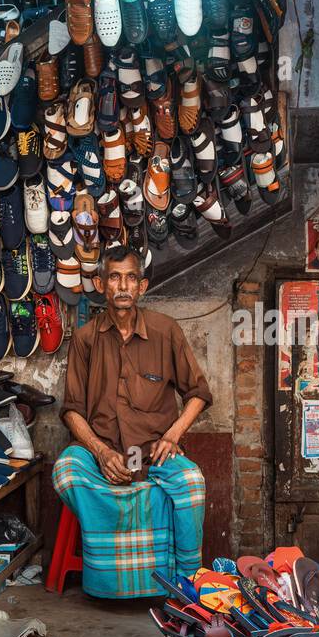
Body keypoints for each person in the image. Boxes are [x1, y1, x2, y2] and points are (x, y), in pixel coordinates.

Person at [54, 244, 214, 598]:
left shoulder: (166, 331)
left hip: (154, 453)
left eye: (131, 278)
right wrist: (99, 451)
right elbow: (71, 410)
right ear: (101, 284)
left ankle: (188, 586)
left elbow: (198, 393)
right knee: (65, 469)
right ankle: (110, 578)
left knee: (191, 483)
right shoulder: (84, 340)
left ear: (142, 287)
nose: (123, 286)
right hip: (104, 453)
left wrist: (173, 436)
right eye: (114, 277)